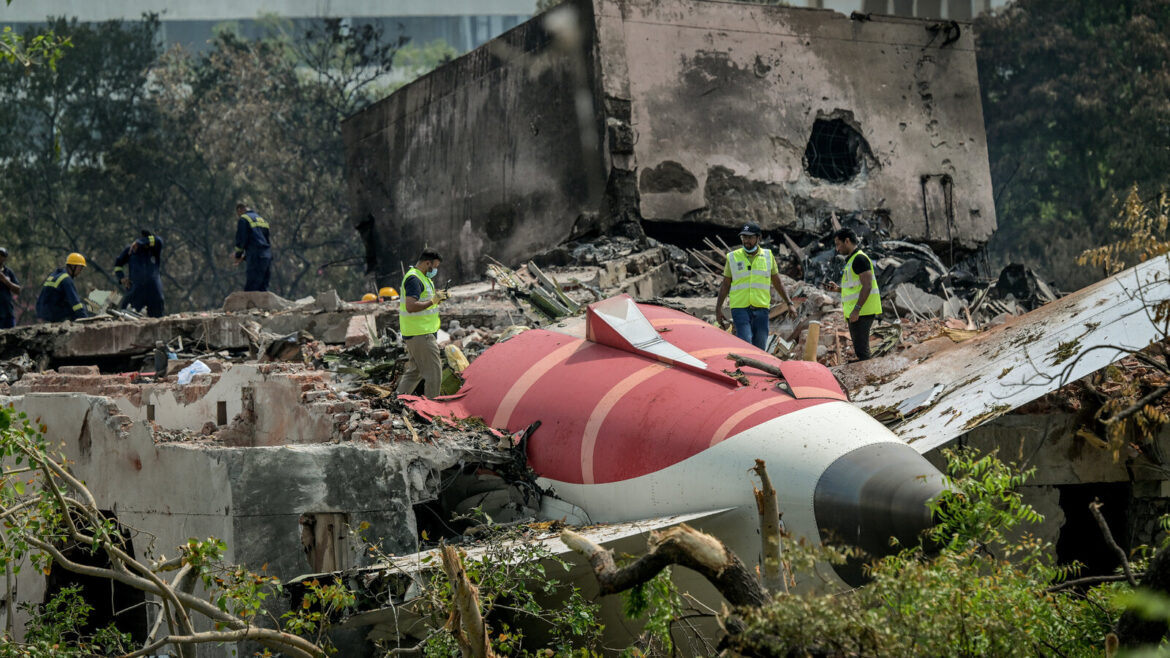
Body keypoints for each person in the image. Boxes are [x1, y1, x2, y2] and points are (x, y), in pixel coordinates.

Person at [715, 223, 796, 351]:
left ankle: (757, 370)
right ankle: (744, 369)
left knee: (760, 346)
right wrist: (718, 308)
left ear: (759, 238)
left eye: (750, 237)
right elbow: (725, 284)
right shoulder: (732, 257)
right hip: (740, 307)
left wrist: (789, 303)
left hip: (761, 308)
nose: (746, 241)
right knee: (745, 341)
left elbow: (777, 282)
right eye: (744, 237)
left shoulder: (768, 256)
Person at [395, 249, 450, 399]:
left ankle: (398, 401)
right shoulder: (414, 279)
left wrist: (438, 298)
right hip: (421, 334)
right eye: (435, 266)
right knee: (434, 373)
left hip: (417, 333)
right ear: (427, 263)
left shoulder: (422, 278)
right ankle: (432, 411)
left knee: (415, 372)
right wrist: (434, 301)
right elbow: (411, 306)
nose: (435, 270)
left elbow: (426, 302)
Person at [825, 228, 882, 361]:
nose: (837, 249)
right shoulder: (852, 260)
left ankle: (868, 376)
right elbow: (854, 287)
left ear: (847, 241)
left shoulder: (860, 259)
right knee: (860, 349)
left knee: (862, 351)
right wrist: (838, 289)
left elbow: (867, 286)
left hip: (862, 311)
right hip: (858, 311)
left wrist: (856, 310)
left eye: (838, 244)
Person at [114, 230, 165, 317]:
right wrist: (121, 278)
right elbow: (118, 264)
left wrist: (139, 242)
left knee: (158, 318)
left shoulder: (155, 249)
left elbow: (158, 240)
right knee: (125, 314)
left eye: (147, 240)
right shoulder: (130, 250)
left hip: (154, 289)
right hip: (136, 289)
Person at [36, 253, 88, 323]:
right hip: (53, 315)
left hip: (43, 313)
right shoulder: (66, 279)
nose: (80, 271)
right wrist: (86, 320)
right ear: (73, 266)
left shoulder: (54, 275)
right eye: (80, 267)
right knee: (81, 307)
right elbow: (76, 304)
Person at [233, 203, 272, 292]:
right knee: (263, 288)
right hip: (267, 256)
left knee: (251, 288)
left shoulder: (244, 219)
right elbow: (263, 241)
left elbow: (241, 240)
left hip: (255, 257)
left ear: (240, 210)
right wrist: (245, 257)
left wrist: (238, 256)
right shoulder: (262, 220)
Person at [0, 247, 21, 329]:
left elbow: (18, 290)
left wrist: (5, 280)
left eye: (2, 255)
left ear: (5, 258)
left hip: (8, 312)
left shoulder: (8, 272)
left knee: (12, 336)